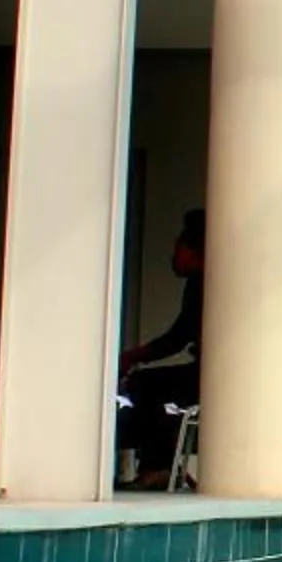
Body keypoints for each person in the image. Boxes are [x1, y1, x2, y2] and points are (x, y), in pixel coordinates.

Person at [117, 209, 202, 488]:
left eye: (178, 249)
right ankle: (158, 464)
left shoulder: (202, 283)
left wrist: (132, 357)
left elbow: (176, 338)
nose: (173, 257)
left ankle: (157, 467)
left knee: (145, 385)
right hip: (204, 371)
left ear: (194, 252)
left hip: (212, 376)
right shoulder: (199, 283)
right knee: (153, 389)